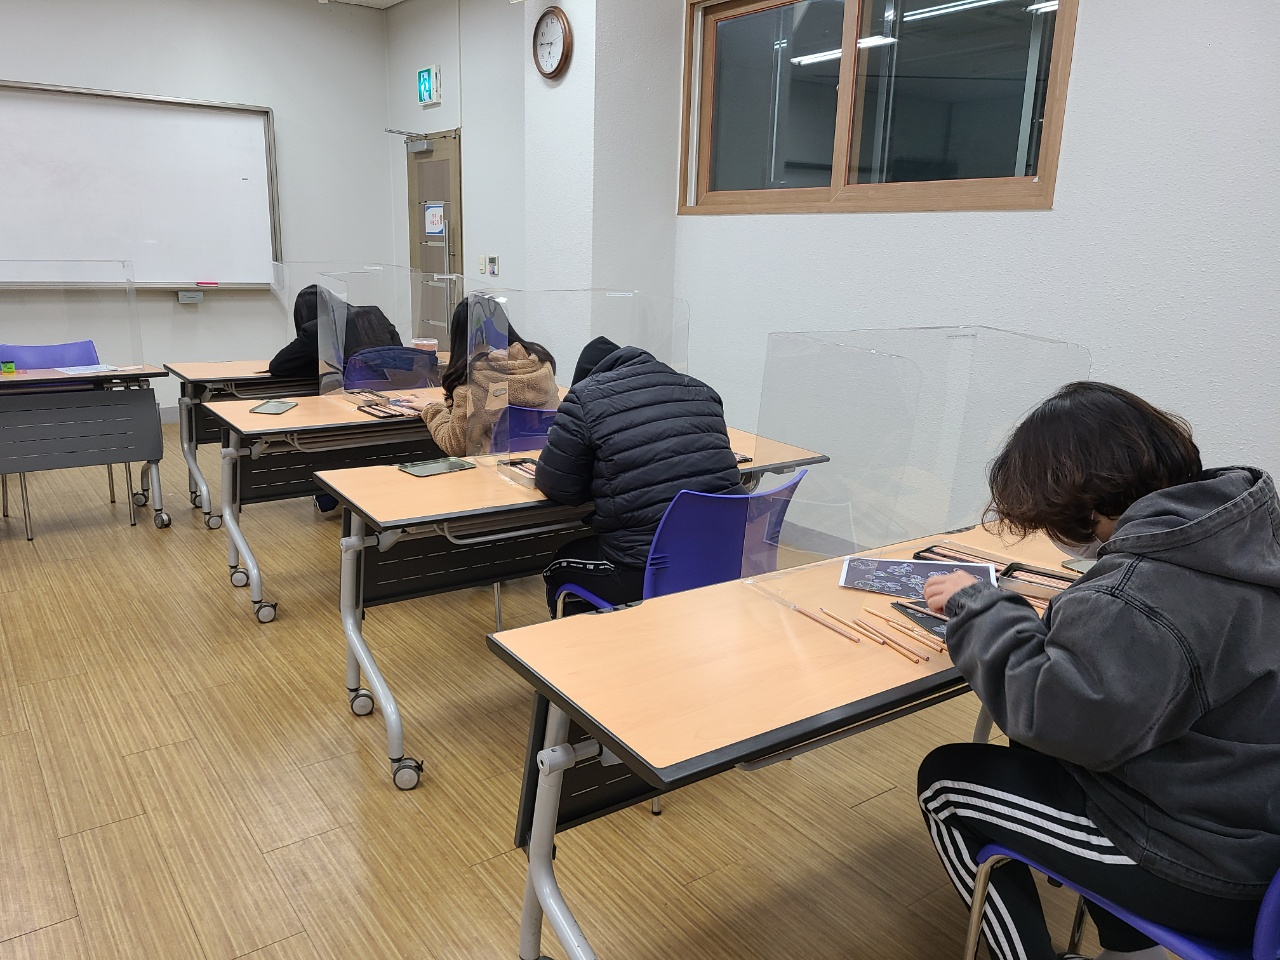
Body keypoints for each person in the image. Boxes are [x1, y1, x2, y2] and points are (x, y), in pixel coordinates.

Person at [917, 382, 1280, 960]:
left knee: (945, 780)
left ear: (1083, 508)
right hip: (1256, 832)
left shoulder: (1135, 596)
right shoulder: (1246, 537)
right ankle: (1132, 951)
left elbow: (1055, 720)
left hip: (1209, 867)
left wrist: (980, 605)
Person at [535, 337, 745, 616]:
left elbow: (560, 487)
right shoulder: (701, 390)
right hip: (724, 558)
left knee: (561, 563)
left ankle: (593, 641)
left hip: (642, 569)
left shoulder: (584, 398)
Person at [410, 298, 559, 457]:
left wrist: (431, 409)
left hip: (492, 467)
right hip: (540, 462)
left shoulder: (474, 384)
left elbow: (455, 445)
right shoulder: (541, 364)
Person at [268, 286, 402, 379]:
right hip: (395, 388)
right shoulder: (374, 313)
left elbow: (278, 367)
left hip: (351, 396)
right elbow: (399, 352)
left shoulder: (315, 330)